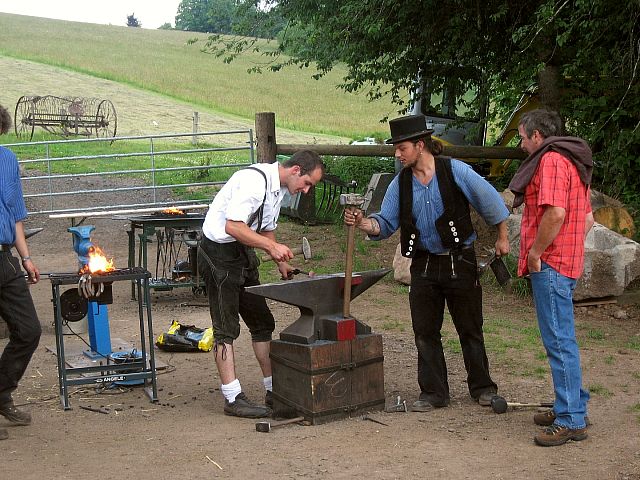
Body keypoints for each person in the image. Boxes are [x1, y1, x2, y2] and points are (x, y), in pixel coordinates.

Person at [344, 114, 510, 411]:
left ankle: (483, 388)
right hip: (422, 264)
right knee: (424, 331)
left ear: (420, 145)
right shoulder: (400, 184)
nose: (397, 153)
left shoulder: (456, 171)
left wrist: (502, 236)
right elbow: (384, 223)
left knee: (470, 328)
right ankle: (434, 393)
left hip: (460, 261)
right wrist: (362, 223)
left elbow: (491, 202)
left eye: (401, 147)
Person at [198, 150, 324, 418]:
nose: (305, 191)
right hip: (218, 253)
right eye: (307, 183)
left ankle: (273, 391)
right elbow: (233, 226)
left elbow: (266, 227)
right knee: (226, 329)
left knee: (262, 322)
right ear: (295, 170)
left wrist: (280, 262)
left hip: (242, 251)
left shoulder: (277, 188)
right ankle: (232, 398)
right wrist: (271, 246)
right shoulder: (254, 183)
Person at [509, 108, 594, 446]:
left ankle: (571, 419)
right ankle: (571, 404)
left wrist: (535, 253)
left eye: (522, 138)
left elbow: (556, 212)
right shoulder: (575, 159)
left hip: (552, 265)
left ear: (537, 137)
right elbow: (585, 219)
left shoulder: (552, 162)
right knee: (563, 339)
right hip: (567, 260)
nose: (521, 145)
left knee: (559, 342)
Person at [0, 104, 42, 441]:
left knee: (28, 330)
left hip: (3, 258)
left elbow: (14, 212)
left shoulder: (7, 160)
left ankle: (1, 393)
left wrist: (25, 258)